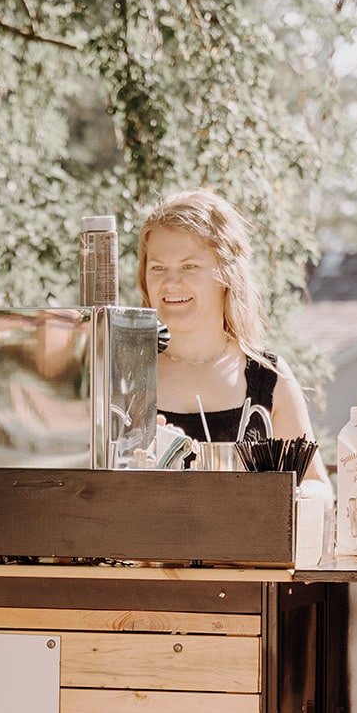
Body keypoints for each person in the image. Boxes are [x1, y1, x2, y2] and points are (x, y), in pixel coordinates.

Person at [137, 188, 332, 498]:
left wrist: (273, 499)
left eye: (189, 267)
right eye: (158, 268)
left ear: (227, 275)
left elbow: (318, 487)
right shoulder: (125, 378)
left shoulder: (268, 377)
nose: (171, 283)